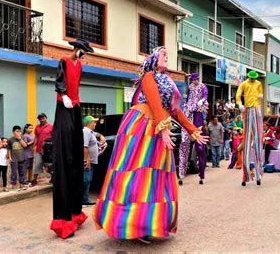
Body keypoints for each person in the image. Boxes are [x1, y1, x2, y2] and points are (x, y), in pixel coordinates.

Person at [93, 46, 208, 243]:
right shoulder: (149, 77)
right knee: (135, 173)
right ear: (154, 58)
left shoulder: (168, 82)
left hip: (157, 125)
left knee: (155, 177)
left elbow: (174, 110)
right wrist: (163, 127)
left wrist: (193, 130)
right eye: (164, 54)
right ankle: (129, 221)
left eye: (168, 55)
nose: (167, 58)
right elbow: (154, 101)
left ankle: (149, 222)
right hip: (141, 126)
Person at [50, 39, 94, 239]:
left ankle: (75, 212)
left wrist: (75, 99)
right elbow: (61, 81)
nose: (84, 55)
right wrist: (63, 95)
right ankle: (63, 219)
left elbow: (77, 84)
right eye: (83, 52)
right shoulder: (64, 61)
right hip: (64, 104)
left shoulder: (80, 65)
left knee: (75, 156)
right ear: (77, 50)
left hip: (75, 106)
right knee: (66, 154)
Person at [178, 72, 208, 185]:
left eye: (195, 79)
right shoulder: (190, 87)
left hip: (198, 115)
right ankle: (181, 174)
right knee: (184, 143)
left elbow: (205, 95)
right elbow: (187, 99)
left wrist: (202, 100)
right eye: (192, 79)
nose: (194, 81)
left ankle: (201, 175)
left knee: (200, 147)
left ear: (198, 79)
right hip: (188, 114)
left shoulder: (203, 86)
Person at [236, 70, 264, 186]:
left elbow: (260, 93)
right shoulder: (243, 84)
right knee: (246, 141)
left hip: (257, 109)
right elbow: (238, 96)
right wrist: (239, 104)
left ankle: (258, 175)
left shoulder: (258, 83)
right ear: (248, 77)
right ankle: (245, 176)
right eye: (251, 78)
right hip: (247, 109)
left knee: (258, 141)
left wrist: (261, 96)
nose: (252, 80)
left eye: (254, 78)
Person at [82, 115, 106, 206]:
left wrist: (101, 136)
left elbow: (96, 134)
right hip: (87, 161)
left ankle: (85, 200)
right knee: (86, 180)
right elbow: (84, 147)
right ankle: (83, 201)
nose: (95, 124)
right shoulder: (86, 132)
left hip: (91, 161)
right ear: (89, 123)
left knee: (88, 180)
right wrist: (87, 159)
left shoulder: (90, 132)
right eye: (93, 122)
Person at [33, 113, 53, 186]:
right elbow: (36, 137)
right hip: (39, 149)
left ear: (46, 118)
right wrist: (34, 146)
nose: (41, 120)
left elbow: (54, 137)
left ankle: (53, 177)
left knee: (49, 165)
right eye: (40, 119)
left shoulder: (51, 126)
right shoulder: (37, 127)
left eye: (43, 118)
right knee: (37, 164)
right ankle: (34, 180)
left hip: (48, 151)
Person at [8, 125, 28, 191]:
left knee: (22, 171)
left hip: (22, 158)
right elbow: (9, 149)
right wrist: (10, 157)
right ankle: (14, 184)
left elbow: (25, 145)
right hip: (14, 159)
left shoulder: (23, 138)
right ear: (13, 132)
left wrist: (19, 139)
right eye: (17, 131)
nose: (19, 132)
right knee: (14, 172)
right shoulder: (10, 140)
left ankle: (22, 184)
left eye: (20, 131)